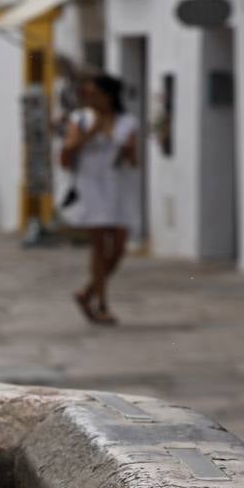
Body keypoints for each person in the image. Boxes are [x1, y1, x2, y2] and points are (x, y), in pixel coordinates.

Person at [61, 74, 140, 326]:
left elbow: (133, 159)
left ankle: (87, 292)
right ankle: (102, 304)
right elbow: (67, 151)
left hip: (118, 186)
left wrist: (127, 151)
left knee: (118, 247)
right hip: (90, 186)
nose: (89, 97)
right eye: (87, 93)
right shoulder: (81, 119)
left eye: (94, 93)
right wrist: (91, 132)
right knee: (99, 246)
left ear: (108, 96)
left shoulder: (127, 122)